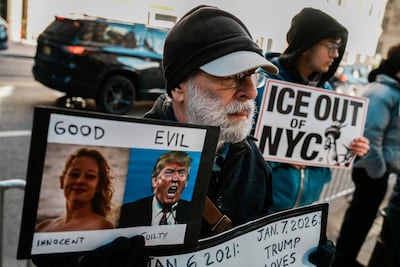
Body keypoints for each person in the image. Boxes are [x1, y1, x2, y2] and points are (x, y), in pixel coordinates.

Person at [32, 5, 333, 267]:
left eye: (255, 75)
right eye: (232, 76)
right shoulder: (120, 156)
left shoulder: (252, 163)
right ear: (178, 87)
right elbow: (55, 253)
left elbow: (255, 243)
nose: (251, 91)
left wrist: (296, 251)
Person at [255, 7, 370, 213]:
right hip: (258, 211)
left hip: (303, 211)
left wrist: (353, 148)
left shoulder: (328, 94)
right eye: (330, 46)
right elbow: (235, 149)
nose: (335, 54)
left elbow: (328, 150)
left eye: (338, 48)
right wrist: (277, 159)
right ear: (306, 44)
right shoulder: (260, 85)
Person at [332, 43, 400, 267]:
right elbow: (370, 133)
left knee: (360, 221)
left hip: (373, 170)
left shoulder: (389, 90)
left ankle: (344, 259)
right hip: (371, 171)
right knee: (358, 222)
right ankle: (342, 261)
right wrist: (378, 170)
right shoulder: (384, 92)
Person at [35, 147, 114, 232]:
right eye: (74, 174)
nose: (80, 181)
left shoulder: (102, 227)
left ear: (99, 186)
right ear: (62, 181)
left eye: (90, 176)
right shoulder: (42, 228)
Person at [118, 151, 191, 227]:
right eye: (169, 172)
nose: (175, 178)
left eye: (181, 173)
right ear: (155, 181)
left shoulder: (193, 211)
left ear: (186, 182)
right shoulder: (128, 212)